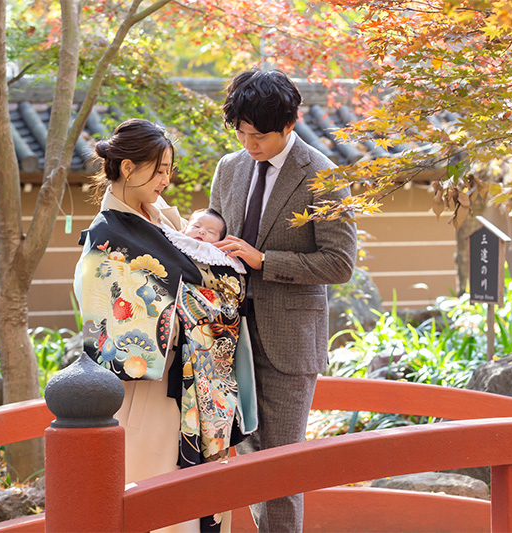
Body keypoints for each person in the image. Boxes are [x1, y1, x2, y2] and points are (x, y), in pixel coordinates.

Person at [73, 119, 257, 533]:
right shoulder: (109, 235)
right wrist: (210, 300)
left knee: (197, 499)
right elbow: (108, 323)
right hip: (150, 391)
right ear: (126, 169)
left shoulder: (165, 222)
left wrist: (202, 296)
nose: (166, 180)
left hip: (196, 383)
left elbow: (195, 287)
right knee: (159, 505)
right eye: (159, 170)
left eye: (169, 170)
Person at [210, 69, 357, 532]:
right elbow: (216, 224)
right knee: (248, 462)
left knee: (280, 470)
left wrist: (263, 260)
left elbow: (340, 264)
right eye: (242, 132)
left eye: (260, 135)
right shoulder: (229, 168)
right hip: (225, 337)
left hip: (288, 341)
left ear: (290, 125)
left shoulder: (321, 176)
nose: (249, 143)